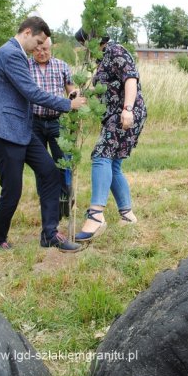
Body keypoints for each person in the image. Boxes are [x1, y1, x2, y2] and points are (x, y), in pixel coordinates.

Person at [0, 17, 86, 252]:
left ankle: (49, 234)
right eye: (37, 41)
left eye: (42, 44)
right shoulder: (11, 53)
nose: (38, 48)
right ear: (27, 32)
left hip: (21, 130)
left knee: (49, 172)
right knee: (12, 190)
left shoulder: (16, 53)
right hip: (5, 131)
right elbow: (31, 92)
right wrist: (69, 105)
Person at [73, 29, 147, 243]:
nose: (83, 48)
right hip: (113, 116)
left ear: (95, 41)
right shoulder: (101, 59)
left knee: (100, 156)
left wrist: (128, 108)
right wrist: (79, 96)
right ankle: (127, 215)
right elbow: (102, 90)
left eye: (83, 43)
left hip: (125, 114)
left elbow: (130, 79)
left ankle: (96, 217)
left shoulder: (116, 51)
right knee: (113, 164)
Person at [28, 37, 75, 218]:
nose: (41, 53)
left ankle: (65, 202)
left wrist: (74, 95)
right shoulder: (25, 66)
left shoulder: (61, 66)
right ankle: (47, 202)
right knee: (40, 165)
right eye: (37, 50)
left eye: (45, 49)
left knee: (63, 162)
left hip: (57, 122)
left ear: (51, 47)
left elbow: (70, 89)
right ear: (32, 49)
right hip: (35, 122)